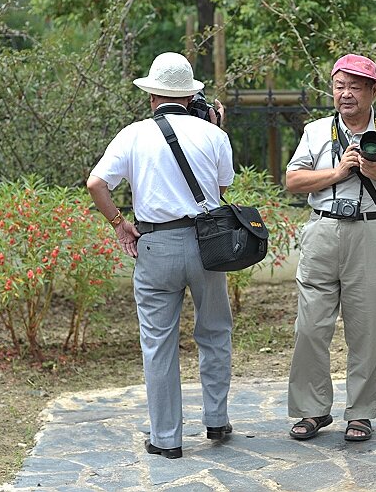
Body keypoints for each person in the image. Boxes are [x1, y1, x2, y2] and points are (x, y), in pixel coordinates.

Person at [86, 52, 234, 459]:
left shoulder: (133, 134)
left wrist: (119, 223)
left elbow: (96, 183)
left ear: (151, 94)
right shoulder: (213, 135)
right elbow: (219, 193)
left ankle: (167, 439)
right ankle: (216, 419)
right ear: (191, 97)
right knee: (215, 330)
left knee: (158, 342)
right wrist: (215, 129)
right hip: (207, 246)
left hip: (155, 245)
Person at [285, 53, 376, 442]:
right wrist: (338, 172)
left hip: (371, 232)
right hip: (323, 231)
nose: (345, 94)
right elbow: (293, 181)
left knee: (366, 329)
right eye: (339, 86)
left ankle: (360, 413)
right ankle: (312, 411)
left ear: (374, 91)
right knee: (310, 327)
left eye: (354, 87)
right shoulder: (315, 131)